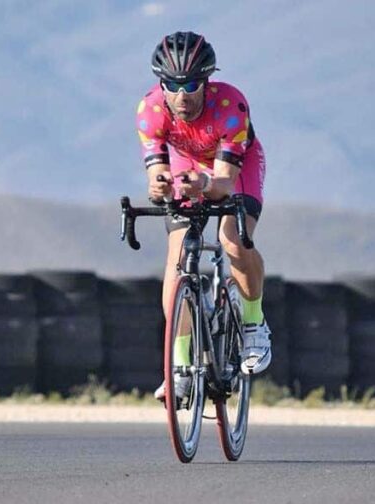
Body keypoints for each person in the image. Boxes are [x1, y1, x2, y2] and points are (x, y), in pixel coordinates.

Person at [136, 31, 272, 401]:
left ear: (207, 82)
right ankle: (179, 367)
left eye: (192, 84)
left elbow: (224, 184)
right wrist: (160, 186)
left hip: (235, 167)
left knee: (232, 239)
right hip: (187, 166)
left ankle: (254, 323)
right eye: (172, 85)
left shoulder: (231, 105)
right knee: (177, 260)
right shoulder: (149, 111)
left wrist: (205, 184)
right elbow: (155, 175)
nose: (182, 96)